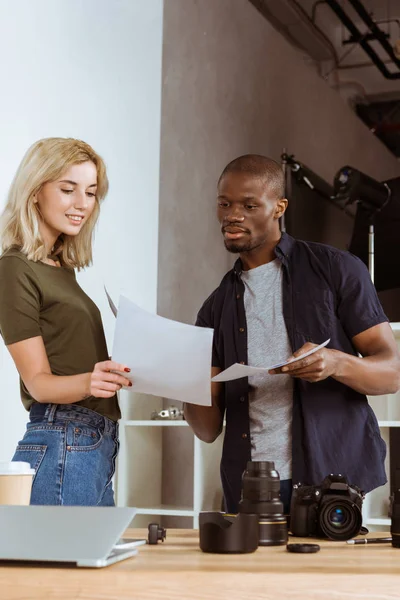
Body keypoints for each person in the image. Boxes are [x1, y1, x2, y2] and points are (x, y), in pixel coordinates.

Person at [184, 154, 400, 515]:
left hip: (330, 481)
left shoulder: (337, 269)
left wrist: (334, 363)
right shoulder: (214, 308)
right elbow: (207, 430)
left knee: (324, 574)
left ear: (279, 207)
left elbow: (391, 373)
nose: (232, 215)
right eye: (225, 203)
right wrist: (179, 381)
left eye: (249, 205)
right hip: (250, 487)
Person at [0, 137, 132, 506]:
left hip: (95, 441)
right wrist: (93, 380)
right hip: (64, 435)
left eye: (90, 193)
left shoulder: (60, 268)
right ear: (34, 190)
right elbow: (39, 384)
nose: (82, 204)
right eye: (68, 189)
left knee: (91, 560)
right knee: (62, 563)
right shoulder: (15, 267)